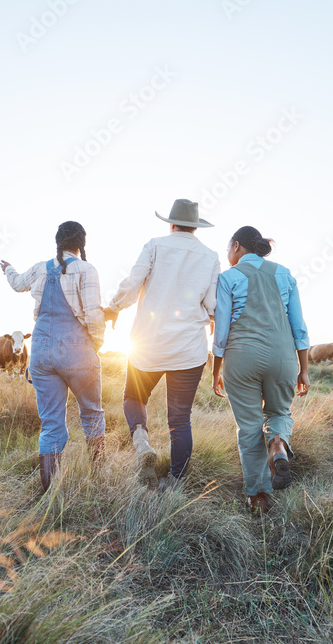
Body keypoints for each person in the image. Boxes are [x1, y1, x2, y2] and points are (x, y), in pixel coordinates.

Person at [104, 199, 221, 490]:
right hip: (189, 350)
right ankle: (175, 482)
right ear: (195, 227)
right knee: (180, 419)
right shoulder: (210, 256)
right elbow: (212, 304)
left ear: (171, 223)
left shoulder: (154, 245)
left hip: (148, 345)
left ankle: (141, 440)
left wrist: (114, 307)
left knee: (133, 397)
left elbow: (131, 285)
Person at [0, 221, 106, 494]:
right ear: (81, 243)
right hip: (78, 351)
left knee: (51, 423)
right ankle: (100, 481)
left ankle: (50, 494)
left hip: (42, 354)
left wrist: (7, 268)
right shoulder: (86, 269)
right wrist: (95, 344)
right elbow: (94, 314)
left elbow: (15, 284)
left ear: (57, 242)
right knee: (92, 414)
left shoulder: (40, 268)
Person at [211, 225, 310, 514]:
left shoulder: (228, 278)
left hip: (241, 357)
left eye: (228, 248)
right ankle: (278, 444)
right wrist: (303, 369)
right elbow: (299, 327)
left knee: (250, 427)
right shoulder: (284, 274)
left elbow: (221, 331)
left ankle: (258, 498)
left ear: (238, 246)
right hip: (283, 357)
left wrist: (216, 369)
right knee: (279, 413)